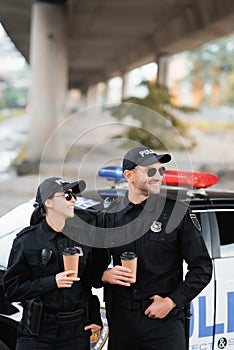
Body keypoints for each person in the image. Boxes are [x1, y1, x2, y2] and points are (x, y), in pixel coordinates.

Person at [96, 146, 213, 350]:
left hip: (165, 322)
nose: (158, 176)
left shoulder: (176, 213)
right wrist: (104, 275)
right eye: (150, 171)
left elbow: (202, 267)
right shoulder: (109, 215)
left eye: (161, 170)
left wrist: (171, 302)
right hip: (123, 322)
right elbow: (92, 264)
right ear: (129, 176)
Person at [3, 176, 108, 350]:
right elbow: (12, 289)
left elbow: (87, 283)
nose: (73, 200)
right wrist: (52, 281)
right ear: (49, 202)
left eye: (74, 196)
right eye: (67, 196)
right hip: (37, 332)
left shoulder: (82, 238)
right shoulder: (27, 241)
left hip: (75, 332)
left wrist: (95, 318)